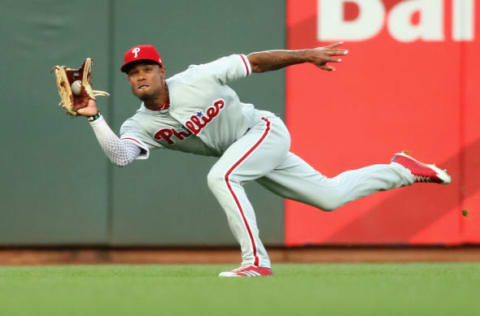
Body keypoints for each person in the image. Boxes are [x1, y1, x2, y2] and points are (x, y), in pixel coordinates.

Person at [77, 42, 451, 277]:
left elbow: (253, 62)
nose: (140, 75)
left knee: (222, 178)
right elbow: (122, 156)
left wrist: (306, 56)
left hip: (262, 132)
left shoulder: (197, 79)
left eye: (146, 68)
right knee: (330, 197)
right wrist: (94, 117)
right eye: (133, 72)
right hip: (243, 151)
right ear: (128, 82)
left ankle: (255, 261)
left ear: (162, 71)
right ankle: (402, 170)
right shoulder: (140, 124)